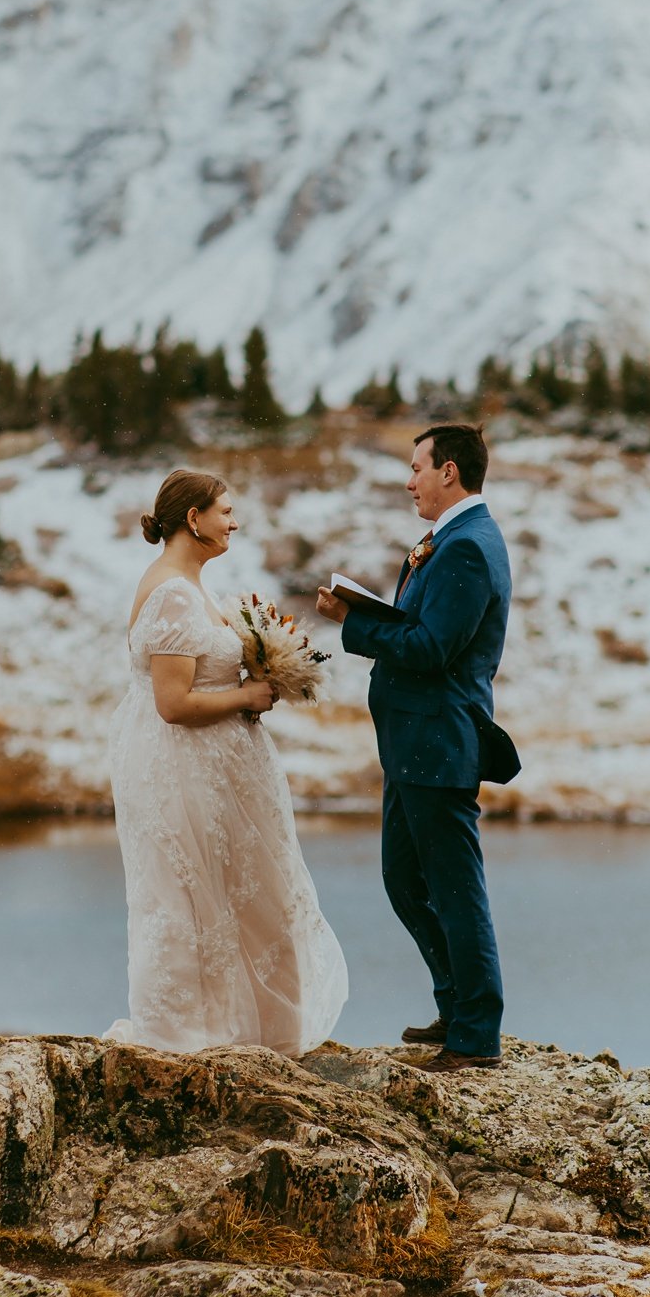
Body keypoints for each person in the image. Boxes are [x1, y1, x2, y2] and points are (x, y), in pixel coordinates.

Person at [107, 467, 348, 1054]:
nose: (234, 521)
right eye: (225, 511)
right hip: (186, 774)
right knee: (191, 901)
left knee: (244, 896)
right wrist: (249, 694)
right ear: (194, 519)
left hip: (215, 772)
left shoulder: (191, 586)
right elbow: (171, 703)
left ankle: (250, 1029)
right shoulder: (168, 592)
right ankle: (187, 1033)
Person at [316, 423, 510, 1073]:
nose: (410, 481)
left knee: (456, 892)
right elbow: (425, 630)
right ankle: (454, 1006)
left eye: (416, 468)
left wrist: (356, 622)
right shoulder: (448, 540)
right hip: (412, 743)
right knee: (403, 881)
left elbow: (431, 650)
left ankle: (475, 1036)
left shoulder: (466, 548)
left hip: (438, 742)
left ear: (448, 471)